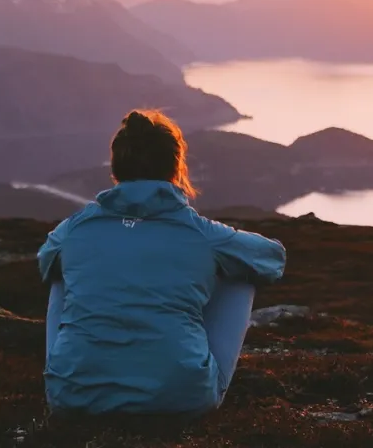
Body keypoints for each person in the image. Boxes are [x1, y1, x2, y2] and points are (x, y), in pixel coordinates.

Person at [39, 109, 286, 414]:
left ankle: (68, 374)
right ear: (175, 166)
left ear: (116, 165)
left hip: (73, 398)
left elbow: (44, 259)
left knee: (59, 269)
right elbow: (272, 259)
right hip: (180, 400)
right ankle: (182, 368)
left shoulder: (74, 229)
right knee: (243, 269)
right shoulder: (203, 234)